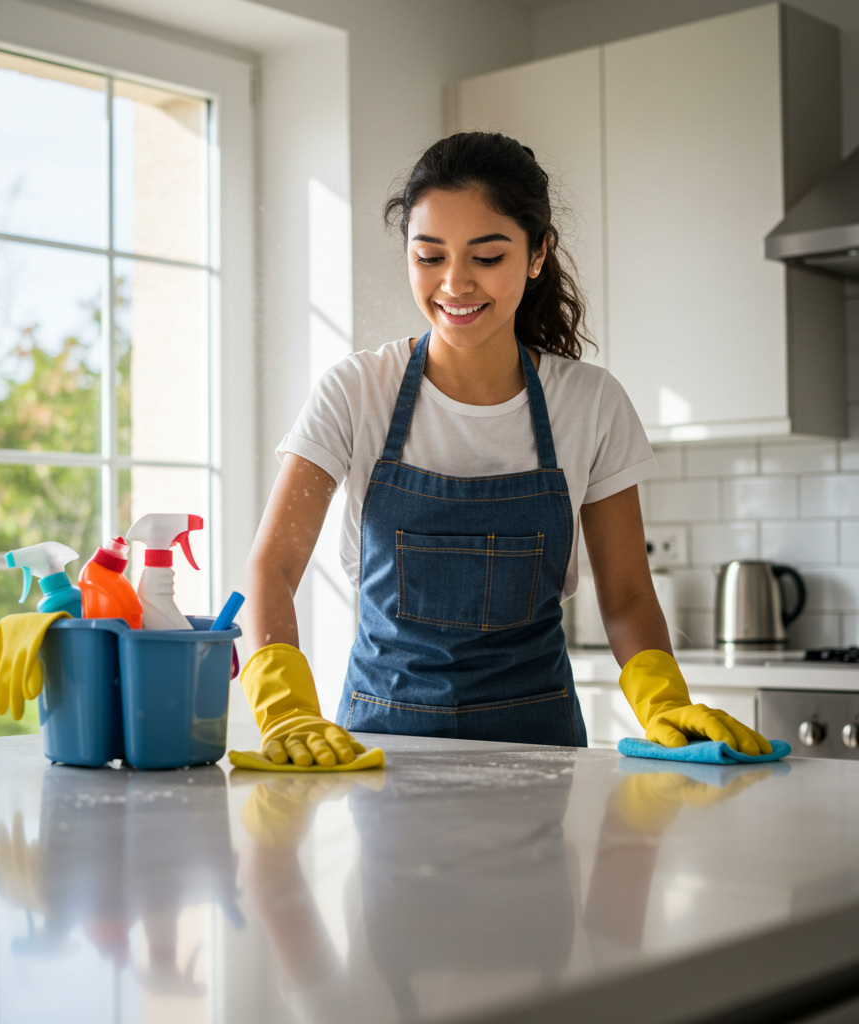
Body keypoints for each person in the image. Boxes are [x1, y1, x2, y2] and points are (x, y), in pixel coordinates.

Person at [237, 131, 771, 768]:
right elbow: (273, 566)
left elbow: (628, 595)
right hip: (383, 751)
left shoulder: (591, 403)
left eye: (487, 257)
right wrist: (285, 708)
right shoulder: (355, 393)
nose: (454, 283)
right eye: (429, 256)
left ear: (538, 253)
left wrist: (664, 703)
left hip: (539, 755)